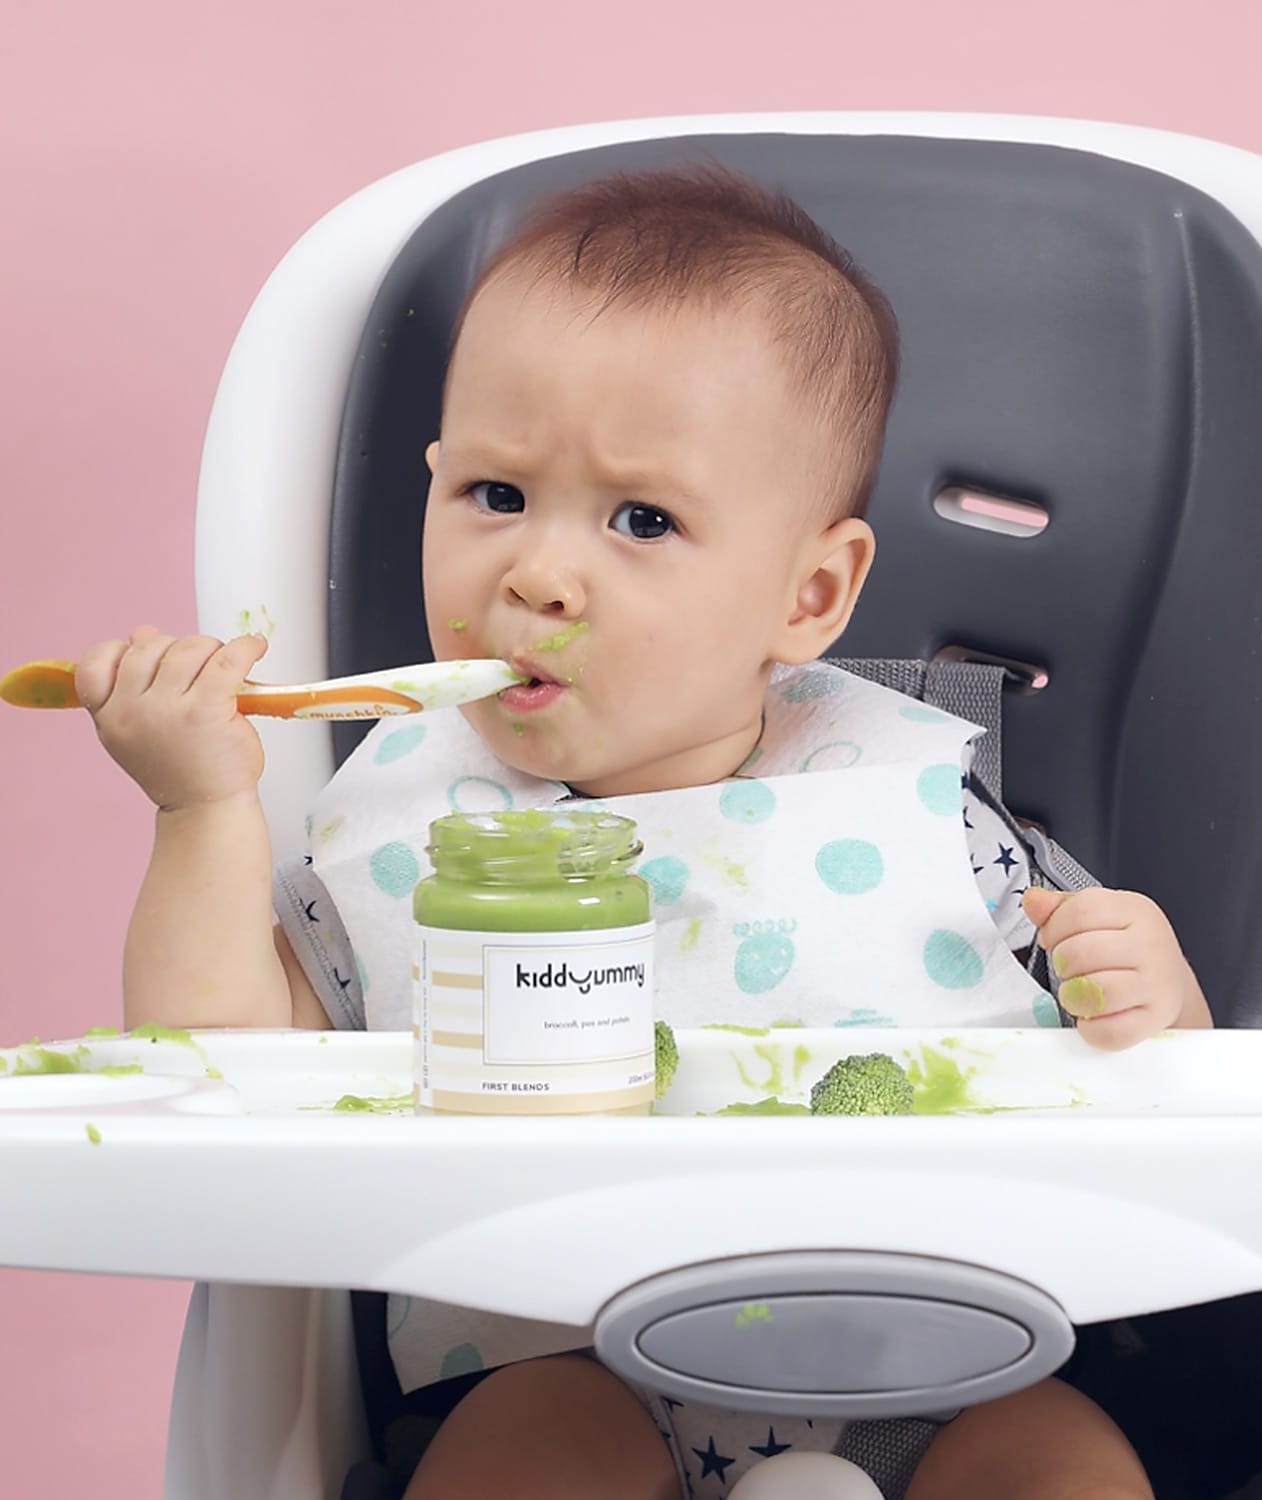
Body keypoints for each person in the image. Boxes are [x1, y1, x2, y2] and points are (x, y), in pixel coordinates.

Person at [74, 166, 1210, 1500]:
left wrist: (1153, 998)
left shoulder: (910, 810)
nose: (537, 574)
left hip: (952, 1374)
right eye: (494, 495)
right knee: (519, 1465)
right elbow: (219, 1073)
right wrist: (200, 805)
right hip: (565, 1372)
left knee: (1064, 1469)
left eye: (641, 520)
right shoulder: (409, 828)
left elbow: (1158, 1099)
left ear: (809, 592)